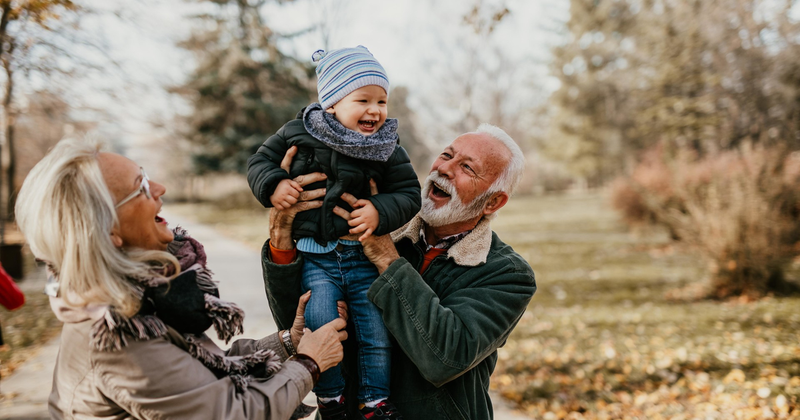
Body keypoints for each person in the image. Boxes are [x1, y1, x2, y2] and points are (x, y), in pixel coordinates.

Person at [14, 137, 348, 420]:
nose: (160, 188)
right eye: (141, 187)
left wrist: (288, 341)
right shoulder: (118, 336)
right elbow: (231, 412)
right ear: (107, 229)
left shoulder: (136, 298)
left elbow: (201, 378)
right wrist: (309, 363)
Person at [261, 124, 536, 420]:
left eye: (467, 167)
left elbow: (445, 357)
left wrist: (386, 257)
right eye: (446, 155)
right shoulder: (373, 224)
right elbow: (302, 327)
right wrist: (282, 239)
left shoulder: (507, 273)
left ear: (493, 201)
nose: (444, 169)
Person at [247, 46, 420, 419]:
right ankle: (330, 399)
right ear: (332, 102)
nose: (375, 110)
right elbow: (259, 162)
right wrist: (275, 184)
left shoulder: (387, 146)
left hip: (361, 257)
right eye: (363, 99)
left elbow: (408, 193)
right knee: (320, 323)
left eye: (382, 101)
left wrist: (379, 209)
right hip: (317, 257)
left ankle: (374, 402)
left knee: (375, 333)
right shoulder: (299, 131)